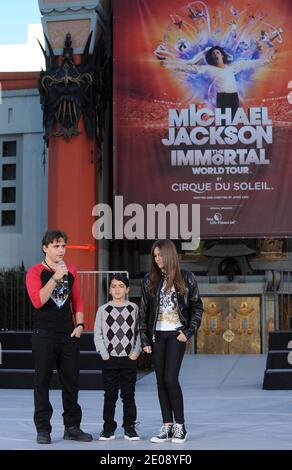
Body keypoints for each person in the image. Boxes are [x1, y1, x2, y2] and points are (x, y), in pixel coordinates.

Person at [26, 229, 93, 444]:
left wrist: (81, 324)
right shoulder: (35, 272)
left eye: (63, 245)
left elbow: (78, 300)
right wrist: (55, 277)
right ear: (45, 248)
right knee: (42, 381)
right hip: (44, 334)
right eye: (56, 245)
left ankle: (72, 427)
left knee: (71, 381)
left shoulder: (71, 270)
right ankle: (43, 429)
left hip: (68, 334)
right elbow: (38, 301)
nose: (61, 249)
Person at [139, 239, 203, 444]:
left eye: (160, 255)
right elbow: (143, 312)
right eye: (154, 256)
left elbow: (197, 307)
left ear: (169, 254)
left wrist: (188, 331)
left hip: (176, 335)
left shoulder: (186, 277)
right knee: (159, 381)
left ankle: (180, 426)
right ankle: (167, 425)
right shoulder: (150, 279)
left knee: (170, 379)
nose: (157, 259)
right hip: (157, 335)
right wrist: (144, 338)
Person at [94, 273, 141, 441]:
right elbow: (97, 333)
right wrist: (104, 354)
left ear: (127, 289)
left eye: (121, 286)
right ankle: (108, 428)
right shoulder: (103, 310)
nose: (117, 289)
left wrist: (136, 351)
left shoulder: (133, 309)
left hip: (129, 358)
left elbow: (139, 332)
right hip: (110, 359)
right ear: (109, 290)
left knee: (128, 395)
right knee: (110, 395)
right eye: (114, 286)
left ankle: (129, 427)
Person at [164, 45, 270, 117]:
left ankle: (231, 140)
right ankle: (223, 138)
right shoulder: (209, 69)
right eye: (213, 54)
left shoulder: (232, 67)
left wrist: (265, 61)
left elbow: (248, 64)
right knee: (223, 120)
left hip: (234, 96)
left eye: (217, 52)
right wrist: (169, 65)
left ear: (222, 55)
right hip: (222, 98)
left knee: (234, 118)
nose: (215, 54)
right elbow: (191, 68)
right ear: (211, 58)